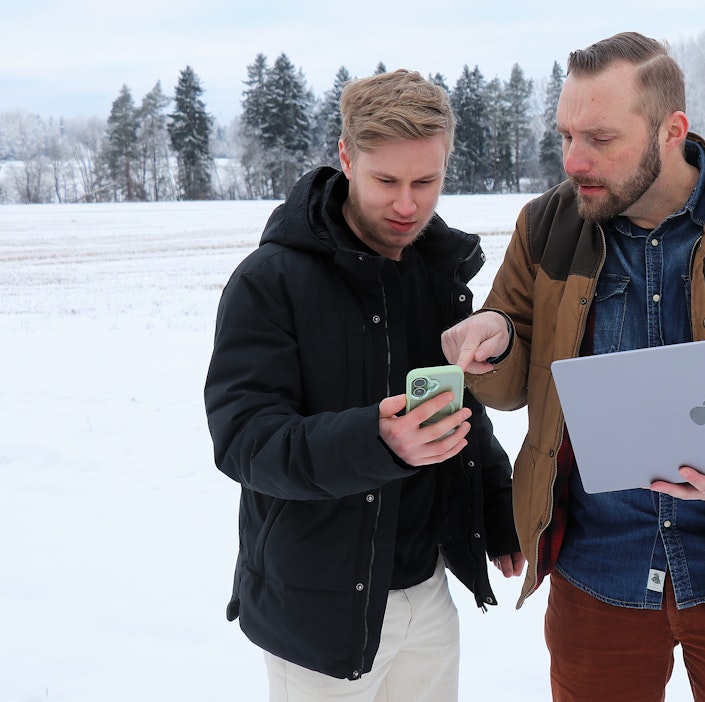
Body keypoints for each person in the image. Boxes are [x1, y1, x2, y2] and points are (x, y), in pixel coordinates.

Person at [440, 32, 705, 701]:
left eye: (600, 138)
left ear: (673, 130)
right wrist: (491, 342)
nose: (574, 160)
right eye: (565, 135)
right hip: (595, 575)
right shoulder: (544, 225)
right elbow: (512, 379)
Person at [204, 69, 523, 701]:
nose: (407, 205)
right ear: (347, 157)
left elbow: (454, 409)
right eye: (386, 182)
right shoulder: (270, 281)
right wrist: (375, 442)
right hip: (317, 607)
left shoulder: (435, 274)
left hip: (427, 596)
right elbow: (244, 440)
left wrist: (494, 503)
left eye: (426, 182)